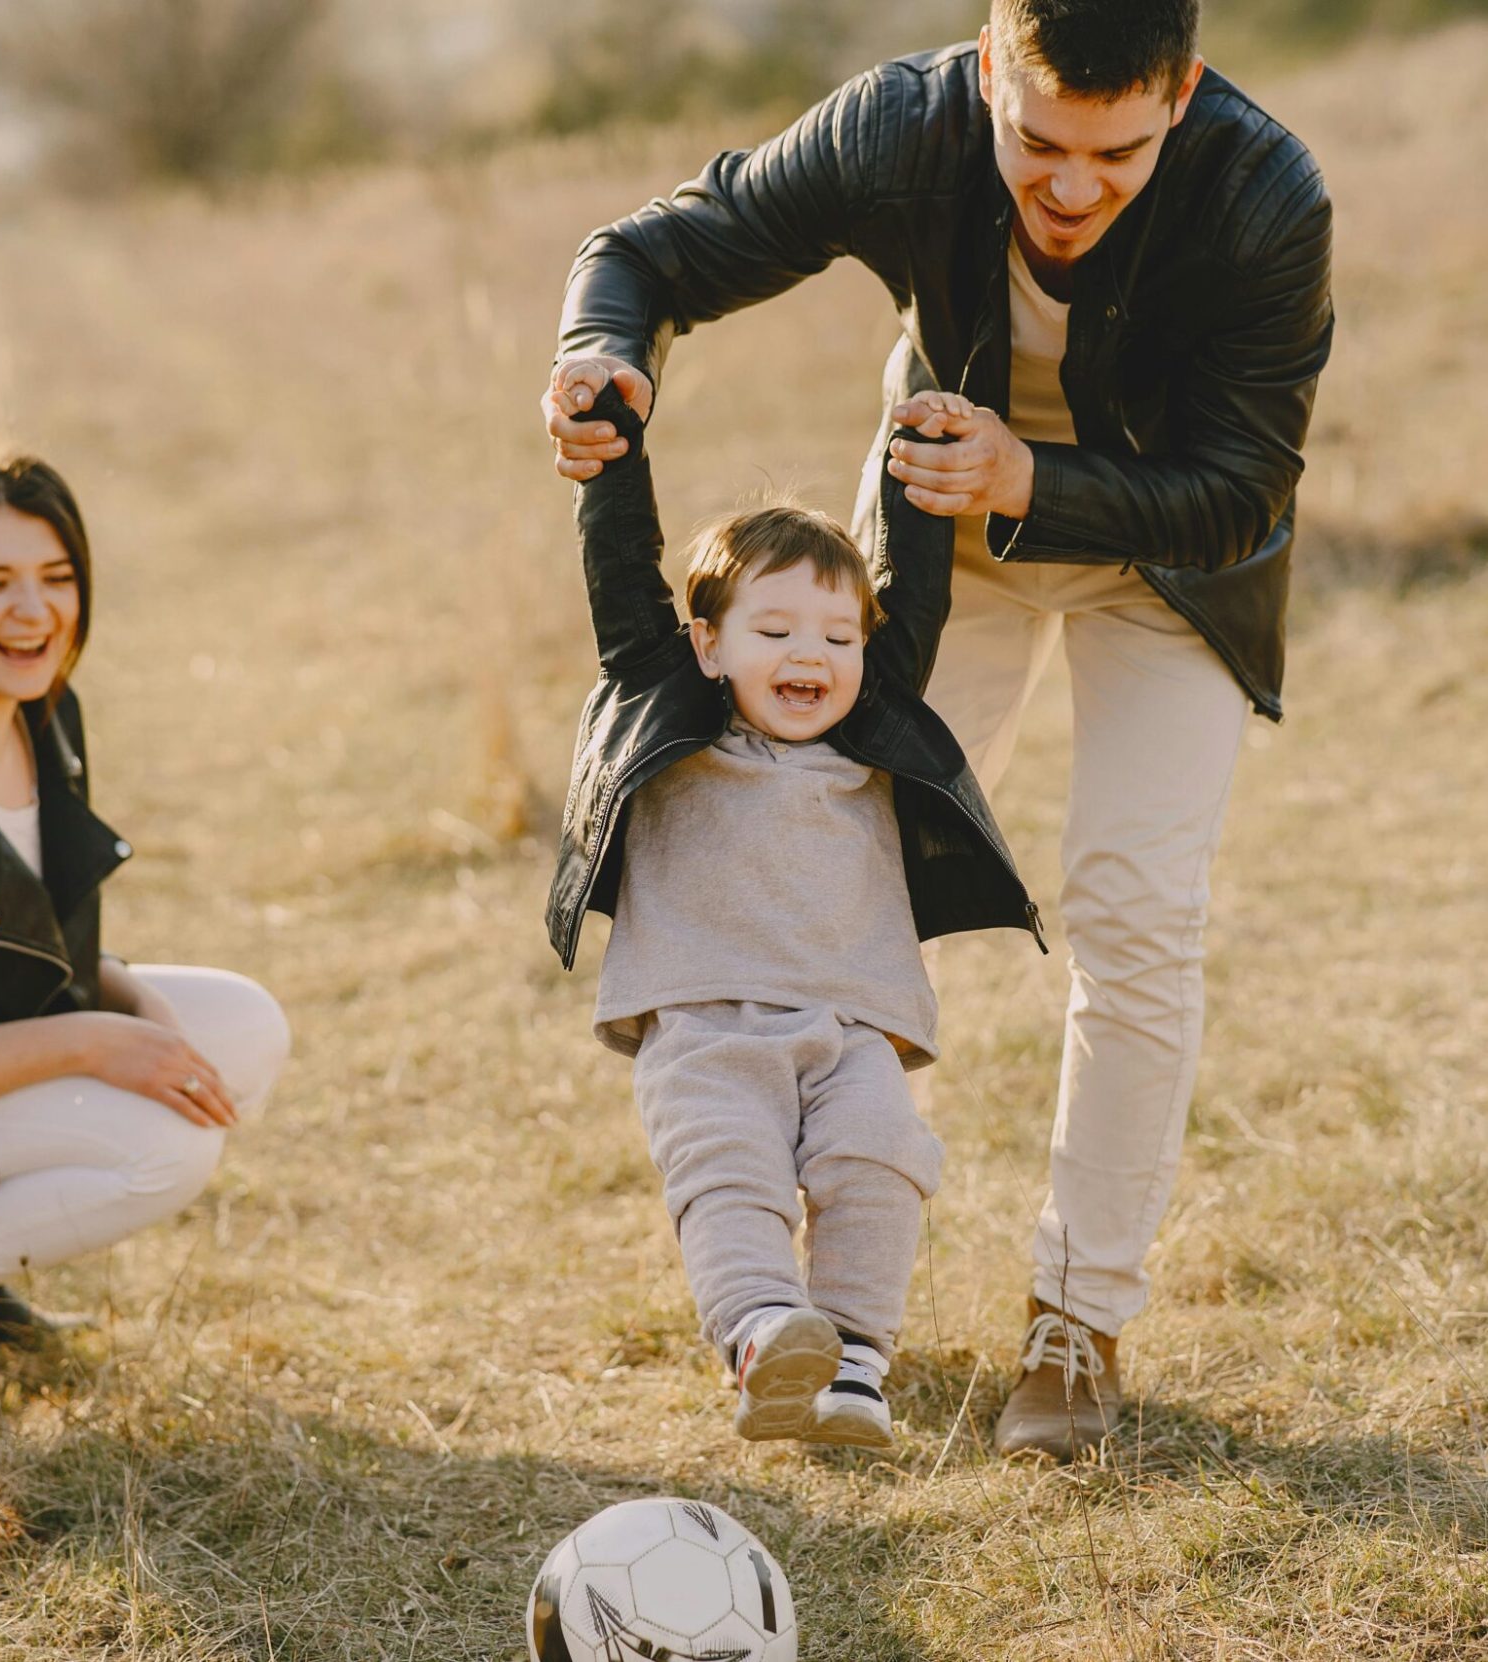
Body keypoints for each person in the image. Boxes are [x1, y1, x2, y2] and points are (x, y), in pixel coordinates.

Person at [540, 0, 1333, 1459]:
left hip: (1168, 566)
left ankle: (1075, 1320)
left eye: (1118, 150)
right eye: (1036, 141)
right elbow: (647, 251)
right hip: (930, 554)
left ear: (1184, 94)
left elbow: (1242, 487)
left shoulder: (1263, 193)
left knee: (1131, 906)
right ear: (983, 71)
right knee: (834, 868)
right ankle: (791, 1302)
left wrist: (1031, 470)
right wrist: (604, 354)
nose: (1072, 186)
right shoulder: (897, 128)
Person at [547, 382, 1041, 1450]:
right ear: (709, 645)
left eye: (835, 635)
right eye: (774, 629)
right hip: (703, 1021)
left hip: (853, 1022)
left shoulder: (874, 733)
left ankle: (856, 1361)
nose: (810, 657)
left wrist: (922, 441)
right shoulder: (670, 707)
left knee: (878, 1163)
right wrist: (612, 452)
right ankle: (767, 1337)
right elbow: (622, 578)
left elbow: (915, 585)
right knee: (731, 1174)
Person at [0, 442, 290, 1417]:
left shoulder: (46, 714)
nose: (33, 612)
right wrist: (91, 1039)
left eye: (57, 578)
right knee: (166, 1148)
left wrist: (125, 997)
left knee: (245, 1029)